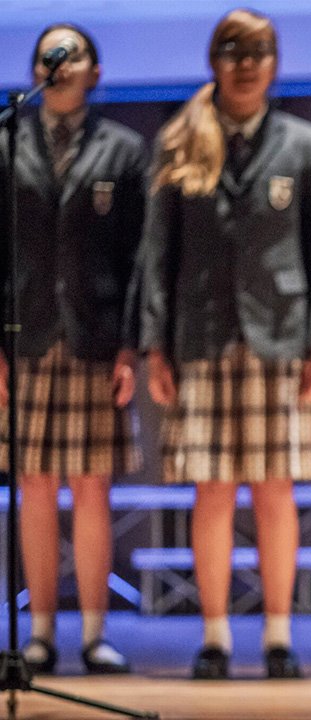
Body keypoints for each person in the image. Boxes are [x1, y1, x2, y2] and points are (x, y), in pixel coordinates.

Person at [138, 8, 311, 679]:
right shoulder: (181, 137)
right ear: (214, 61)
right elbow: (157, 254)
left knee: (277, 491)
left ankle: (280, 635)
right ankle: (216, 636)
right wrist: (154, 347)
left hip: (281, 342)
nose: (247, 61)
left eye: (259, 50)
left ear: (275, 63)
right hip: (199, 339)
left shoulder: (304, 143)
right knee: (213, 493)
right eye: (233, 49)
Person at [1, 22, 146, 675]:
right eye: (48, 56)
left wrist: (131, 347)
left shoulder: (123, 150)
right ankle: (37, 635)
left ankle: (93, 634)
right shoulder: (5, 142)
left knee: (92, 485)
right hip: (23, 335)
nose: (59, 63)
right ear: (35, 74)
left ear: (94, 73)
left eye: (73, 53)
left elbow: (141, 256)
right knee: (32, 484)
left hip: (96, 335)